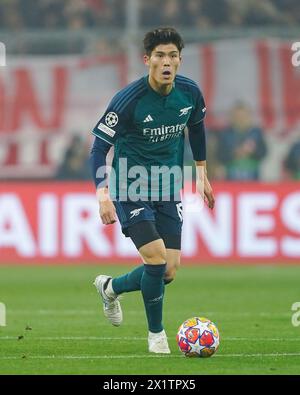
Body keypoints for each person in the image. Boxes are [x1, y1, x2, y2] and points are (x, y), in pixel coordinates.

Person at [90, 27, 214, 354]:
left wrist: (201, 172)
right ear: (147, 60)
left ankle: (110, 287)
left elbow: (197, 128)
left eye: (173, 55)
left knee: (168, 271)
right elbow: (98, 148)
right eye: (159, 56)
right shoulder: (128, 100)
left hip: (169, 186)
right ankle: (156, 336)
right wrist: (103, 193)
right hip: (129, 186)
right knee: (156, 259)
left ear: (179, 60)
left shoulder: (189, 93)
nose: (166, 62)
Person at [216, 102, 267, 181]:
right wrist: (235, 153)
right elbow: (219, 155)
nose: (240, 119)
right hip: (231, 177)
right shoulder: (225, 134)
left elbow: (263, 152)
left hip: (253, 178)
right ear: (232, 117)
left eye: (243, 116)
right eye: (238, 117)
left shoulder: (256, 133)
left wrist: (252, 151)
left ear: (249, 116)